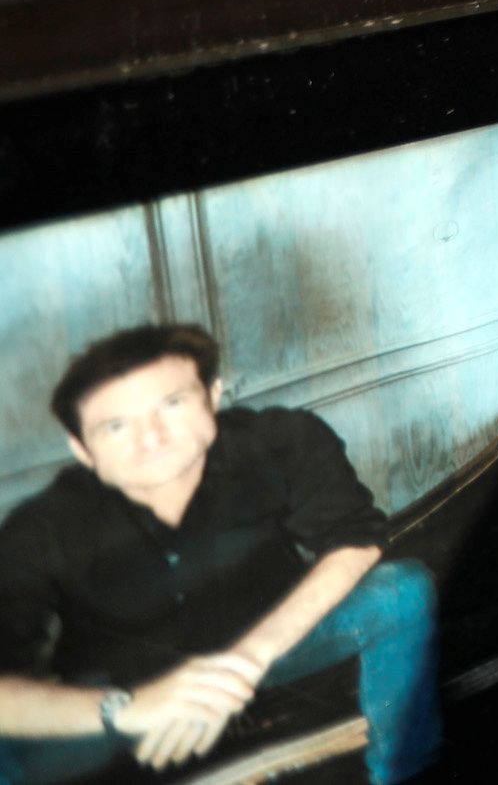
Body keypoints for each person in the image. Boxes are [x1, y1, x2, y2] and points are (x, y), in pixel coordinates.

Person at [0, 326, 438, 783]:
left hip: (270, 649)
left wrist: (249, 657)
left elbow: (354, 538)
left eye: (172, 403)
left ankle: (403, 772)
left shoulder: (277, 439)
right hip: (131, 696)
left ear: (213, 394)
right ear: (81, 448)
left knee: (401, 592)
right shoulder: (42, 526)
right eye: (116, 426)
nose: (151, 438)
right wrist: (126, 708)